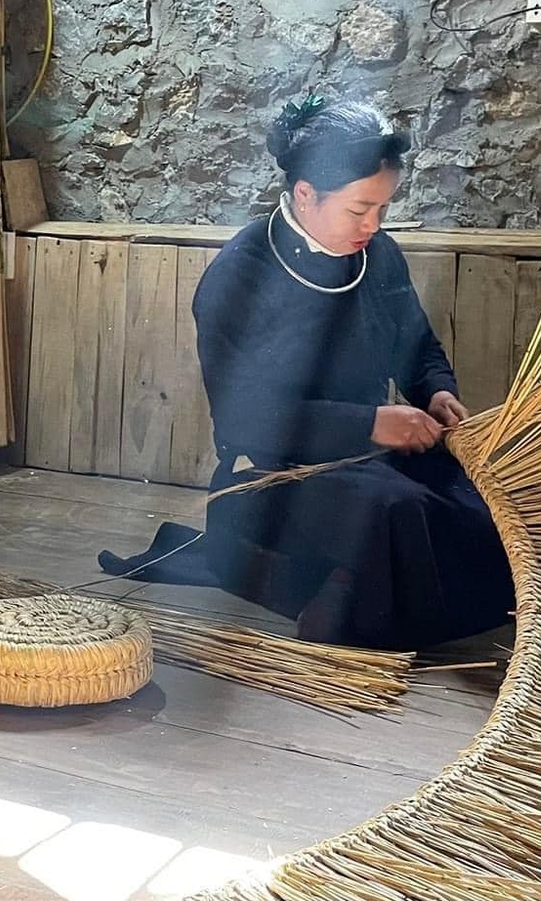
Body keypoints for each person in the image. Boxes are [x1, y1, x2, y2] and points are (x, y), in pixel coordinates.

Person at [102, 96, 515, 649]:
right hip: (272, 477)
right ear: (305, 193)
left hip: (372, 458)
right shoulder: (240, 276)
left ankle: (378, 594)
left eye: (382, 210)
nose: (373, 224)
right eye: (358, 209)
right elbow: (248, 421)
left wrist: (437, 392)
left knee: (488, 495)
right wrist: (370, 422)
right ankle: (351, 603)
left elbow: (417, 346)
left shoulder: (379, 255)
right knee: (394, 512)